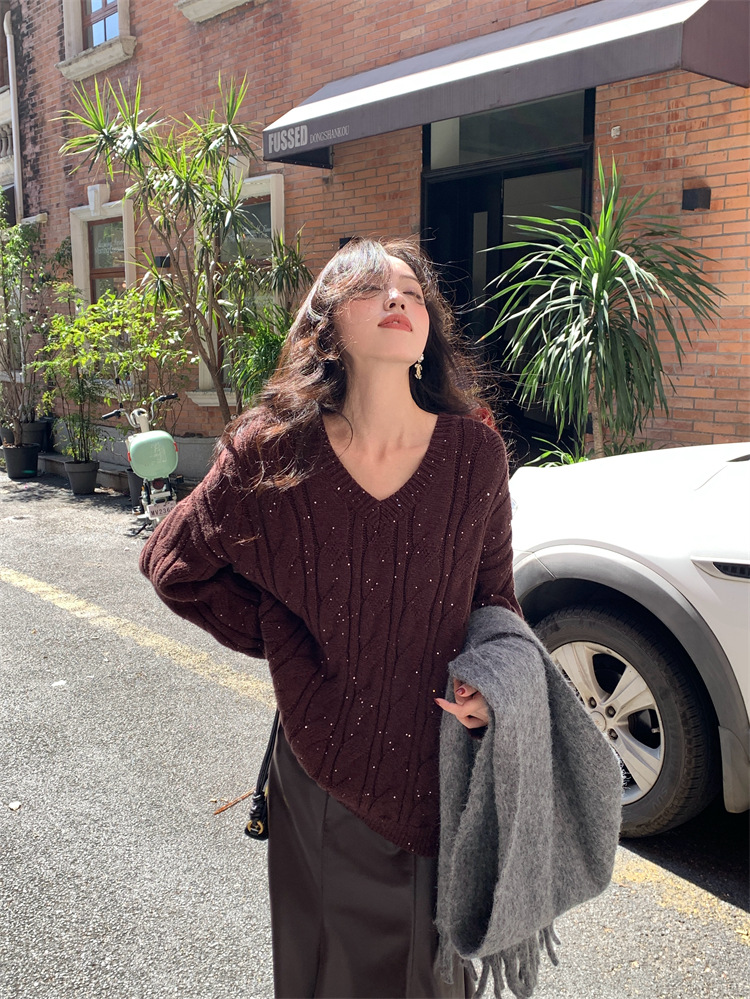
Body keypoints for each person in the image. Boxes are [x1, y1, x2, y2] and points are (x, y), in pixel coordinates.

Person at [140, 236, 522, 999]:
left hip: (440, 769)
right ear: (327, 324)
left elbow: (496, 603)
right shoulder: (270, 451)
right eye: (371, 288)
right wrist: (289, 636)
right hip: (320, 770)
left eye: (411, 291)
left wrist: (493, 685)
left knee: (431, 979)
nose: (397, 298)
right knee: (325, 976)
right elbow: (173, 562)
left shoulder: (474, 454)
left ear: (428, 329)